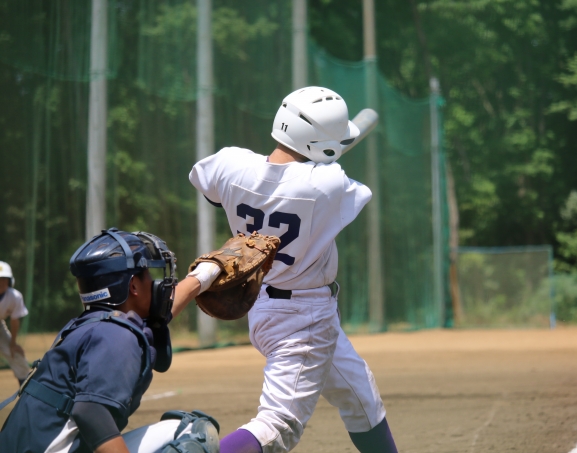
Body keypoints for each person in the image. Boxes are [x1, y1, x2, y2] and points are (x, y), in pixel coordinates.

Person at [176, 86, 398, 453]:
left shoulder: (231, 164)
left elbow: (211, 191)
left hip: (264, 303)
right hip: (302, 317)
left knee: (361, 395)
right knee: (279, 425)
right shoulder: (328, 183)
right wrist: (326, 158)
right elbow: (342, 188)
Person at [0, 228, 220, 453]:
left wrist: (207, 273)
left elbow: (159, 315)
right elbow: (91, 412)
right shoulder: (117, 335)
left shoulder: (93, 326)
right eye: (147, 275)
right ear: (133, 286)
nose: (155, 283)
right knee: (191, 432)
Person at [0, 261, 31, 386]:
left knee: (16, 355)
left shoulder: (14, 296)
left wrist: (13, 343)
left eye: (4, 279)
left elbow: (14, 320)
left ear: (10, 281)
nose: (1, 282)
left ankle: (26, 389)